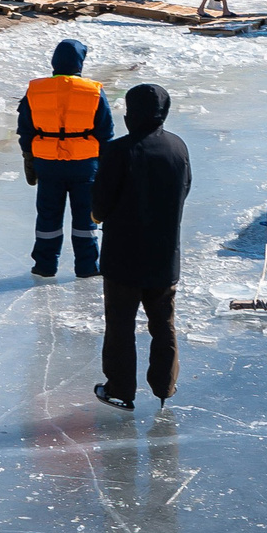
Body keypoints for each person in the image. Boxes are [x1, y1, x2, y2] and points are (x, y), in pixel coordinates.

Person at [92, 81, 190, 409]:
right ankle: (164, 387)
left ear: (132, 114)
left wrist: (98, 214)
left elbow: (99, 207)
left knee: (120, 326)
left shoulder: (118, 151)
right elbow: (184, 190)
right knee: (163, 324)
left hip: (123, 258)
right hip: (164, 256)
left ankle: (120, 389)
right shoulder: (178, 147)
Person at [18, 37, 114, 278]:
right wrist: (105, 166)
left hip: (47, 164)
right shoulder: (93, 91)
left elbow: (26, 129)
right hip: (85, 165)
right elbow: (106, 133)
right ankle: (87, 266)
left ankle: (44, 265)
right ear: (80, 62)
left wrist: (29, 158)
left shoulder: (36, 90)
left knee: (48, 216)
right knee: (86, 219)